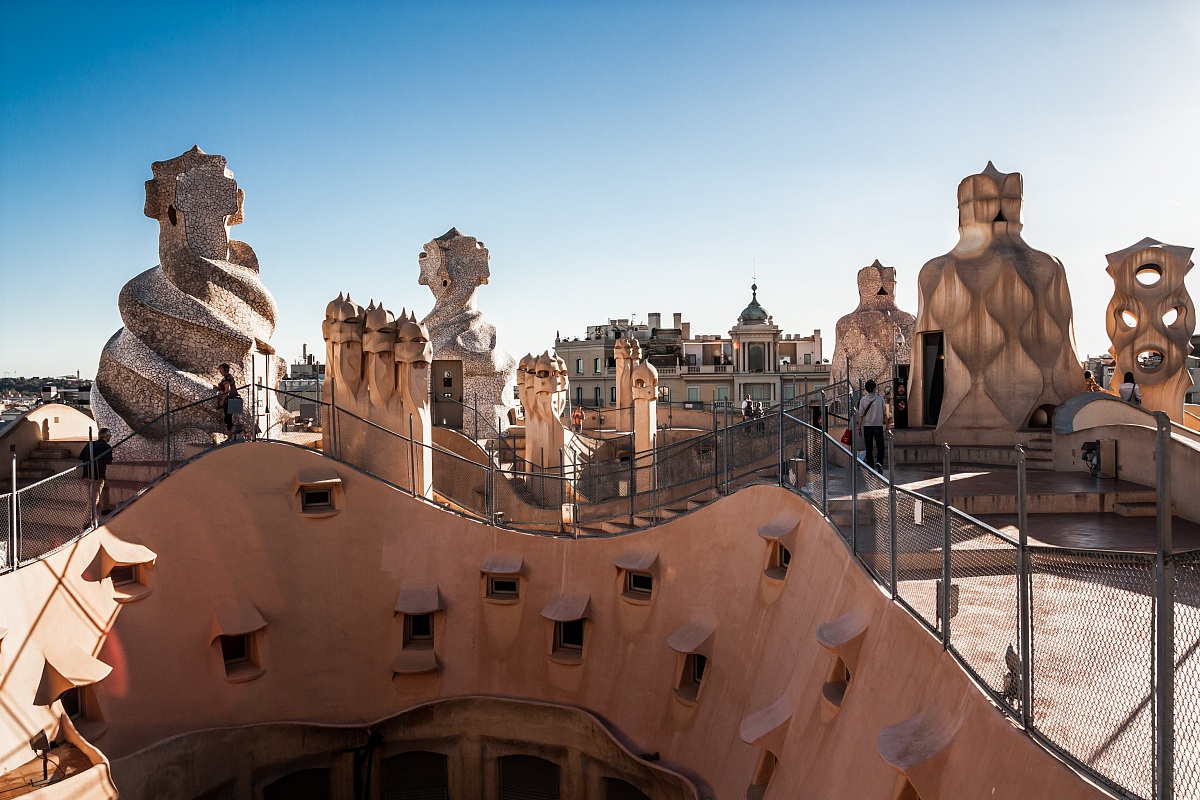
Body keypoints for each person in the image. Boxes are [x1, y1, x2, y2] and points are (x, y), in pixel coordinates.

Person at [79, 428, 113, 518]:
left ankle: (106, 508)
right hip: (98, 475)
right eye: (109, 436)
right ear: (106, 436)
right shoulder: (106, 447)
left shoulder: (90, 444)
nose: (110, 438)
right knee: (94, 498)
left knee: (106, 486)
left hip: (87, 473)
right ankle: (87, 520)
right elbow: (108, 461)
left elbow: (81, 456)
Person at [856, 380, 887, 470]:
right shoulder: (880, 400)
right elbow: (885, 414)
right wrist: (888, 427)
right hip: (878, 426)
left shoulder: (863, 400)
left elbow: (861, 415)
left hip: (867, 426)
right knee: (880, 446)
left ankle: (870, 466)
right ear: (874, 389)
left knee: (868, 447)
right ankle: (879, 462)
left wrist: (859, 428)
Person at [215, 363, 241, 433]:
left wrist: (222, 401)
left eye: (221, 369)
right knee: (230, 419)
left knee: (228, 419)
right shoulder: (227, 377)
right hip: (232, 399)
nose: (220, 371)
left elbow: (227, 389)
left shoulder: (227, 378)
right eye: (219, 370)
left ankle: (232, 436)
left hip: (231, 400)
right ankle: (231, 436)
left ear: (225, 369)